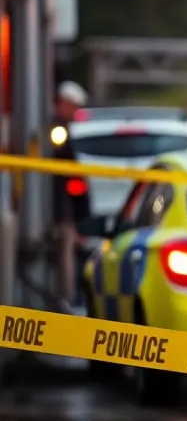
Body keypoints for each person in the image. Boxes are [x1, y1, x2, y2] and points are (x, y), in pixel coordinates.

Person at [50, 81, 89, 305]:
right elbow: (69, 177)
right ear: (63, 103)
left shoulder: (60, 130)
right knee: (64, 255)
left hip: (60, 207)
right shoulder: (57, 131)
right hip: (57, 207)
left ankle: (65, 298)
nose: (75, 112)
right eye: (73, 106)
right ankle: (65, 299)